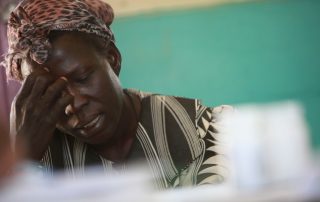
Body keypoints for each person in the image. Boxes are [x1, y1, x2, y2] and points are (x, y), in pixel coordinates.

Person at [2, 0, 231, 189]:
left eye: (82, 79)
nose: (75, 105)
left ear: (113, 59)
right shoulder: (39, 160)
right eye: (52, 94)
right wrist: (22, 156)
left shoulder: (208, 132)